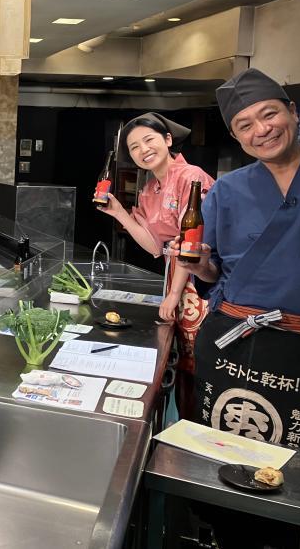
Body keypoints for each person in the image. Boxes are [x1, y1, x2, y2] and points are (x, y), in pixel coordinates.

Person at [172, 68, 300, 549]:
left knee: (299, 471)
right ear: (236, 136)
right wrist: (195, 265)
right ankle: (224, 536)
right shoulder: (229, 190)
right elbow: (211, 272)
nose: (262, 130)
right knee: (226, 456)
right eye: (245, 125)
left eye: (269, 114)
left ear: (294, 114)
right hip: (233, 342)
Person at [98, 112, 215, 418]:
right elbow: (154, 247)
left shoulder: (192, 177)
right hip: (172, 277)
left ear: (167, 140)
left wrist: (176, 294)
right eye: (134, 147)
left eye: (148, 140)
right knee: (177, 359)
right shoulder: (150, 189)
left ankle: (198, 426)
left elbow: (190, 242)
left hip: (200, 281)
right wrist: (120, 213)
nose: (142, 150)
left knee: (197, 361)